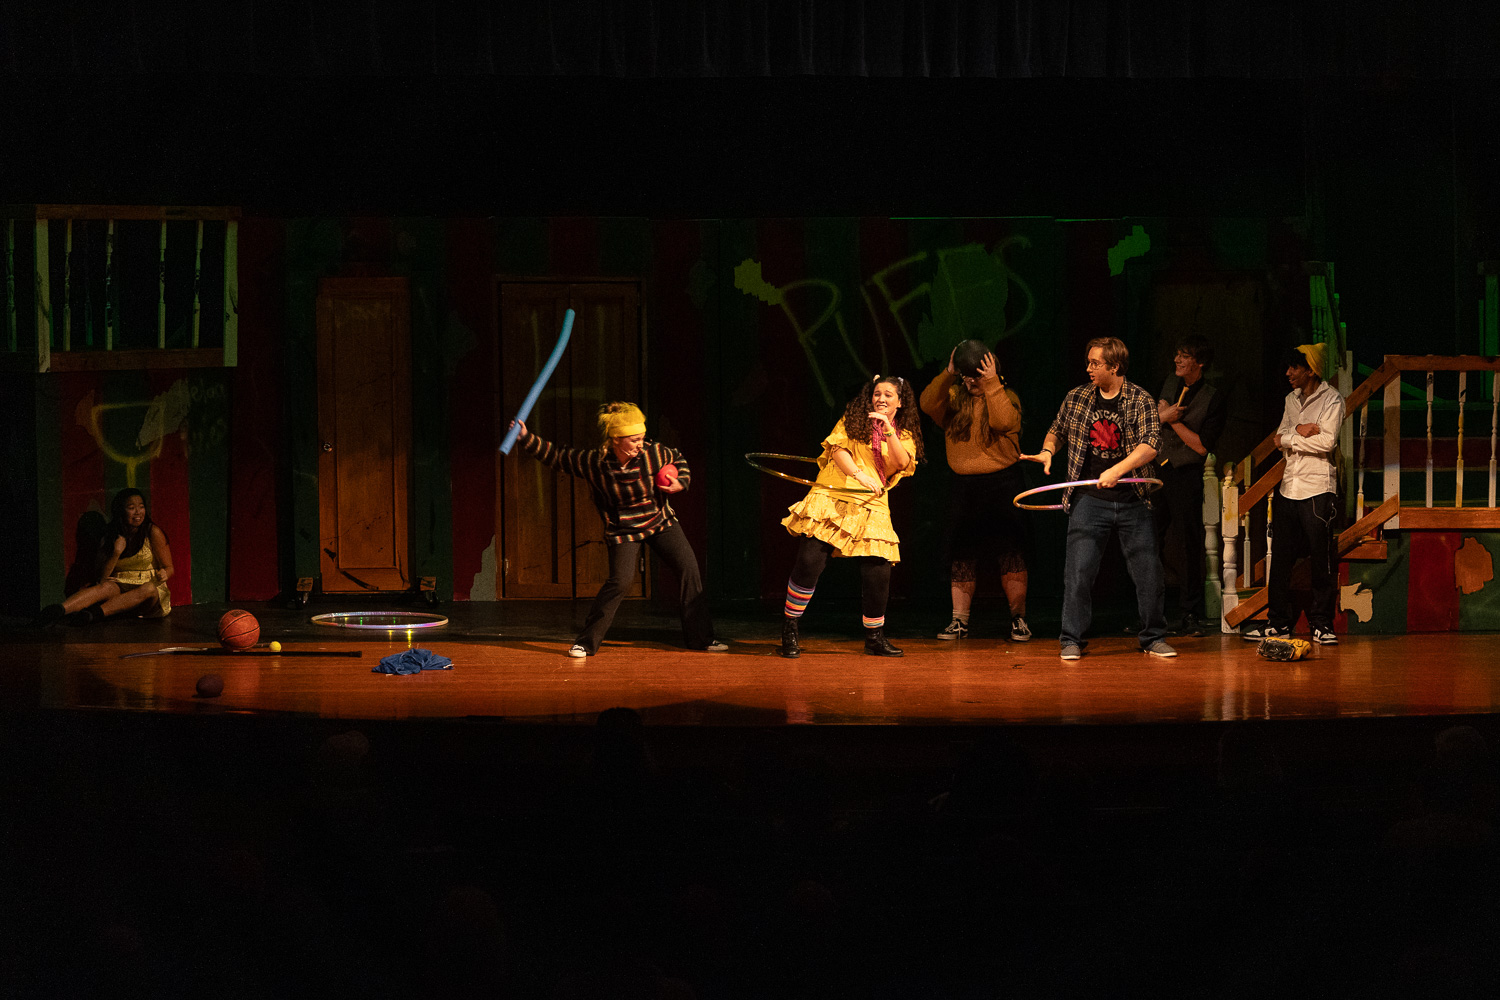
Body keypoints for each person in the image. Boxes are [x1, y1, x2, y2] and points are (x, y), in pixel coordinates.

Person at [511, 402, 725, 658]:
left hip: (660, 522)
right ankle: (585, 643)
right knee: (620, 582)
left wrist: (682, 482)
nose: (640, 444)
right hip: (624, 529)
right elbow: (558, 457)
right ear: (615, 439)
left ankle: (702, 639)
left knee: (689, 569)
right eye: (634, 440)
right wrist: (525, 437)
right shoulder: (596, 463)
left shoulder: (654, 453)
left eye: (642, 438)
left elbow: (678, 459)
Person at [1021, 337, 1175, 660]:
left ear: (1115, 366)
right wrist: (1048, 451)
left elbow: (1151, 444)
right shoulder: (1077, 397)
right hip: (1089, 499)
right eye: (1088, 362)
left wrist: (1117, 470)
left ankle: (1153, 637)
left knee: (1148, 572)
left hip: (1133, 497)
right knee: (1078, 572)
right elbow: (1057, 430)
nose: (1088, 368)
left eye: (1095, 363)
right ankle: (1071, 639)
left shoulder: (1140, 399)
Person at [778, 375, 923, 658]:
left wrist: (888, 430)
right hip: (834, 493)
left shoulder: (904, 434)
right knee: (809, 562)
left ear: (900, 402)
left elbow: (901, 463)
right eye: (877, 393)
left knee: (878, 569)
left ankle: (874, 637)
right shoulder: (853, 420)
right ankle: (789, 627)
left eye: (888, 395)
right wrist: (858, 474)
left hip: (872, 502)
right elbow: (838, 450)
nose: (881, 399)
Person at [920, 339, 1032, 642]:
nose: (971, 381)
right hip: (964, 486)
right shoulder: (954, 399)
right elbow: (927, 403)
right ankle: (959, 621)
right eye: (967, 375)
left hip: (1003, 483)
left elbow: (1003, 422)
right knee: (961, 554)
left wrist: (992, 382)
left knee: (1011, 553)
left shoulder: (1006, 396)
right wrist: (949, 372)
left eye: (977, 375)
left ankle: (1018, 619)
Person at [1241, 343, 1345, 646]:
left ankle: (1321, 623)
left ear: (1310, 370)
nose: (1288, 373)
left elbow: (1326, 443)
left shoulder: (1332, 399)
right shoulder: (1290, 399)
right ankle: (1278, 623)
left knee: (1321, 559)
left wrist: (1291, 438)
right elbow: (1278, 438)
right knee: (1281, 559)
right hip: (1289, 486)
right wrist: (1300, 430)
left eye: (1294, 367)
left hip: (1318, 487)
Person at [1154, 334, 1228, 636]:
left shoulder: (1213, 397)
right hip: (1157, 470)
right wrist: (1163, 415)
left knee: (1188, 543)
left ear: (1199, 362)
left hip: (1185, 473)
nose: (1177, 360)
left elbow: (1201, 446)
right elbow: (1152, 420)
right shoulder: (1169, 384)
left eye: (1184, 356)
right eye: (1177, 354)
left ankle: (1189, 612)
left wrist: (1172, 420)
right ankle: (1151, 611)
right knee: (1149, 538)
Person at [39, 488, 173, 625]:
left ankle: (93, 614)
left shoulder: (152, 531)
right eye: (131, 508)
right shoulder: (111, 534)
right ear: (121, 511)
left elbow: (169, 568)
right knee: (106, 587)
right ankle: (58, 610)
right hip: (121, 589)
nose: (138, 512)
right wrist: (116, 553)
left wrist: (164, 573)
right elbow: (102, 578)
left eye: (141, 507)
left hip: (148, 597)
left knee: (148, 588)